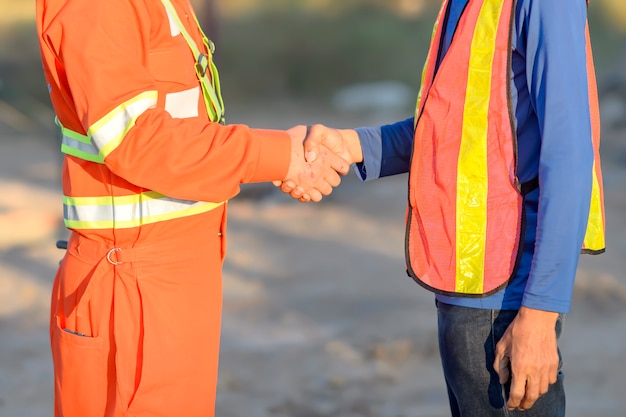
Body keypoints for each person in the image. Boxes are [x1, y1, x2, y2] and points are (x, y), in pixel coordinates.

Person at [278, 0, 606, 415]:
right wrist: (351, 145)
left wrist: (540, 314)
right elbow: (455, 130)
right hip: (464, 296)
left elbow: (569, 155)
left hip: (507, 301)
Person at [35, 0, 348, 416]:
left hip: (172, 275)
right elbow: (135, 140)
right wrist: (277, 155)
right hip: (133, 285)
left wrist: (279, 155)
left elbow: (182, 124)